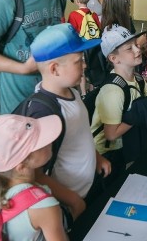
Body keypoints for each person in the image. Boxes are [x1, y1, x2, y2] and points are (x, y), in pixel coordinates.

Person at [19, 24, 111, 218]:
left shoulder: (71, 91)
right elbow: (36, 173)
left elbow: (78, 134)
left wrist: (96, 157)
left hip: (86, 186)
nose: (85, 65)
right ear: (55, 69)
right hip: (70, 199)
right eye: (79, 61)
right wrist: (72, 200)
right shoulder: (44, 113)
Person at [91, 25, 147, 171]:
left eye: (136, 44)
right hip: (109, 155)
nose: (137, 49)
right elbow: (110, 134)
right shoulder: (113, 91)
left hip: (129, 141)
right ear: (114, 58)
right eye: (129, 48)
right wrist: (137, 115)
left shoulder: (139, 79)